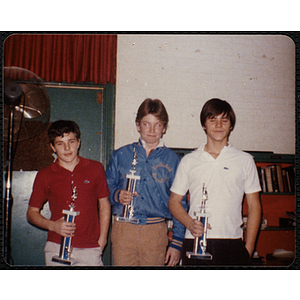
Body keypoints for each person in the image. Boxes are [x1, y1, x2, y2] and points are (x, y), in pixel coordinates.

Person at [169, 98, 261, 266]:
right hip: (195, 241)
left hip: (232, 243)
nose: (218, 125)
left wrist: (248, 248)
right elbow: (174, 202)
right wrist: (189, 223)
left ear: (231, 125)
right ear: (204, 124)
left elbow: (254, 206)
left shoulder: (245, 160)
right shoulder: (189, 160)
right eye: (213, 120)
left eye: (224, 120)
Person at [106, 98, 187, 266]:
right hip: (123, 229)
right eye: (146, 124)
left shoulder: (173, 160)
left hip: (155, 231)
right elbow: (105, 187)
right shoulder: (120, 155)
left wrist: (177, 242)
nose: (151, 130)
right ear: (137, 125)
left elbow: (181, 202)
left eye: (157, 125)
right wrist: (116, 194)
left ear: (164, 128)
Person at [27, 120, 111, 266]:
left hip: (90, 247)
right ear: (52, 147)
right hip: (56, 246)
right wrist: (53, 226)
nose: (67, 148)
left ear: (78, 142)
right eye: (60, 143)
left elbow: (104, 205)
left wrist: (102, 241)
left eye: (71, 141)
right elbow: (31, 213)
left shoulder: (95, 168)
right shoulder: (44, 175)